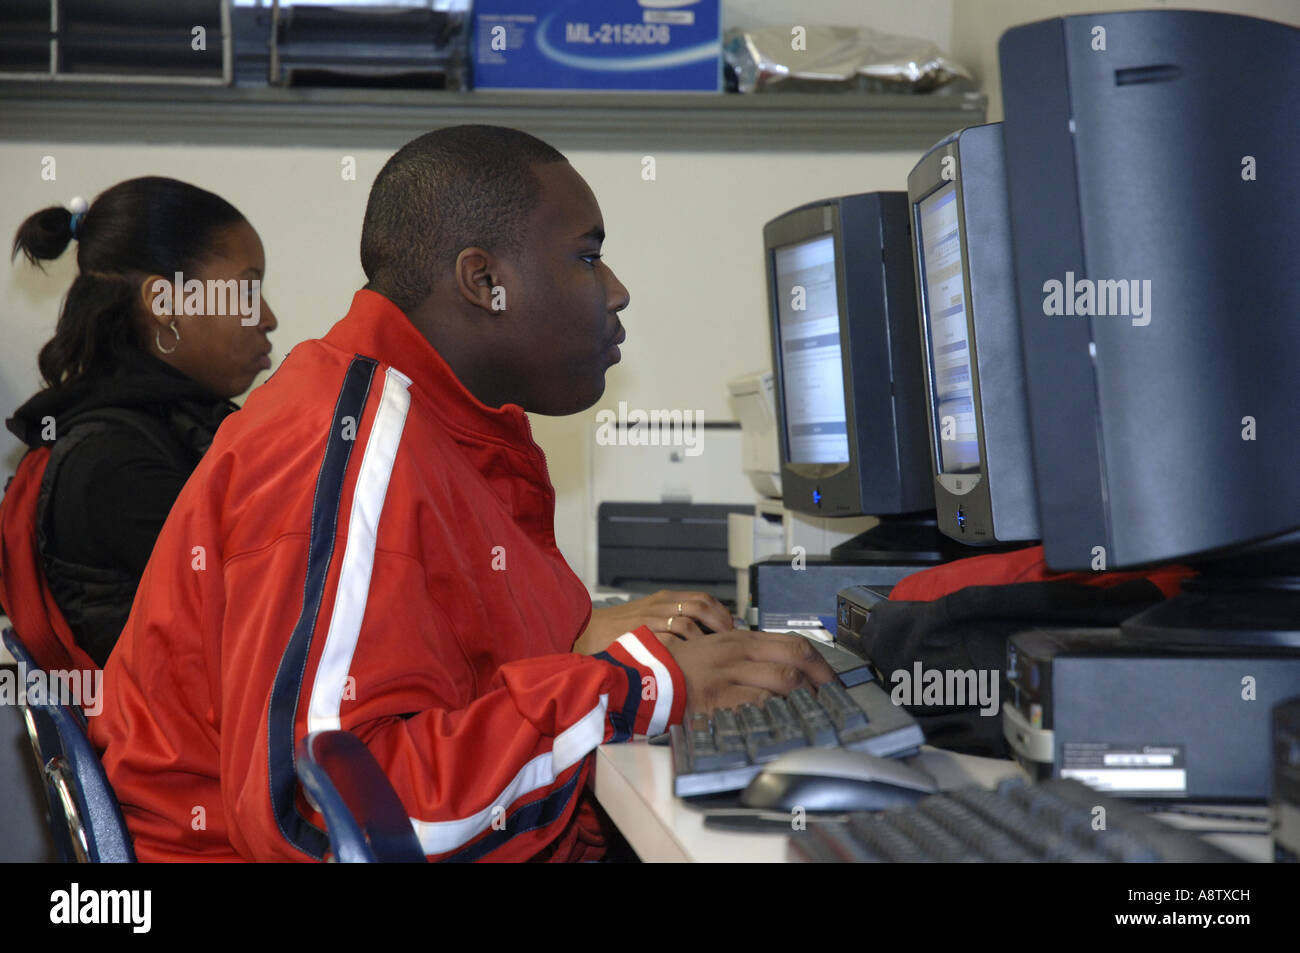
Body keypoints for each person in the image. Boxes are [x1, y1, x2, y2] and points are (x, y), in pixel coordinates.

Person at [90, 125, 833, 862]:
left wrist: (574, 650)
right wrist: (638, 691)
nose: (616, 289)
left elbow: (436, 669)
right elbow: (326, 819)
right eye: (588, 255)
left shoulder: (443, 428)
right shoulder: (346, 442)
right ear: (485, 282)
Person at [0, 177, 277, 672]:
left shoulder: (165, 429)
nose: (269, 317)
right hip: (195, 746)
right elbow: (273, 621)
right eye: (248, 289)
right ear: (164, 303)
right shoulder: (115, 462)